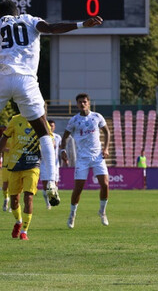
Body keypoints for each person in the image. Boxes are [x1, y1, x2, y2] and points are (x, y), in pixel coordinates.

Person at [0, 0, 104, 206]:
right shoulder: (30, 19)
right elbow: (51, 28)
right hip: (26, 81)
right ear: (17, 11)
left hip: (2, 78)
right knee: (44, 133)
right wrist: (82, 24)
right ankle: (51, 184)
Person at [61, 93, 111, 229]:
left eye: (84, 101)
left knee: (105, 184)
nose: (82, 104)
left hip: (98, 157)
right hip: (82, 158)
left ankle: (102, 211)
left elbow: (107, 132)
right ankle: (72, 214)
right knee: (78, 188)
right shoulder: (74, 120)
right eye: (79, 102)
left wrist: (105, 149)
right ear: (77, 104)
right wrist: (62, 151)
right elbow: (64, 137)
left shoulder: (97, 117)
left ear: (88, 103)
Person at [0, 113, 44, 240]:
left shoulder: (40, 120)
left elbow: (49, 141)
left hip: (32, 165)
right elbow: (4, 137)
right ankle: (18, 222)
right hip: (15, 164)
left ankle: (24, 231)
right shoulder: (15, 120)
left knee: (28, 197)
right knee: (14, 201)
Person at [40, 119, 62, 210]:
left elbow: (60, 148)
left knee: (54, 184)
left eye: (52, 126)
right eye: (49, 125)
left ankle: (54, 199)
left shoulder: (58, 137)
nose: (51, 127)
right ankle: (48, 203)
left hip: (55, 164)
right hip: (44, 164)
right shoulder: (42, 137)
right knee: (45, 185)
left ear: (54, 127)